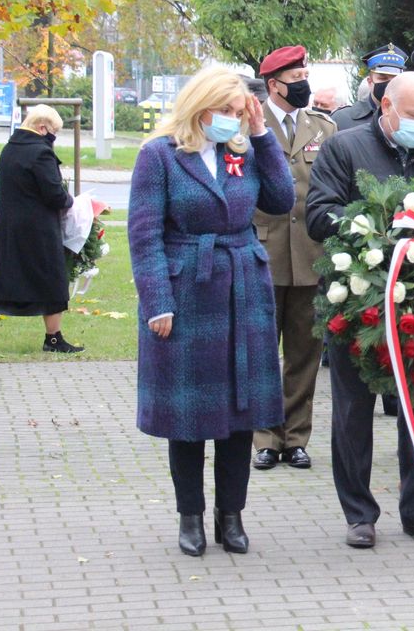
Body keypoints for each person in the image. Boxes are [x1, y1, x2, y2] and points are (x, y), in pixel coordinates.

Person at [128, 66, 294, 557]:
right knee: (190, 415)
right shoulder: (159, 156)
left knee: (241, 413)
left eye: (239, 112)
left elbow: (282, 200)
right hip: (188, 292)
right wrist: (158, 301)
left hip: (243, 286)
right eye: (226, 112)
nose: (232, 120)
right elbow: (144, 235)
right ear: (200, 109)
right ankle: (191, 517)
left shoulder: (241, 150)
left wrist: (262, 135)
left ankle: (232, 516)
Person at [305, 72, 414, 549]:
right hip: (357, 300)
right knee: (353, 408)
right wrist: (383, 228)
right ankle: (359, 514)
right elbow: (318, 215)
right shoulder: (344, 148)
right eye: (413, 116)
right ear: (386, 107)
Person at [250, 46, 336, 472]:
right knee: (263, 350)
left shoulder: (323, 127)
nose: (303, 84)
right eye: (295, 77)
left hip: (310, 254)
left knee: (305, 352)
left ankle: (296, 437)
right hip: (262, 253)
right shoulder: (248, 123)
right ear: (273, 85)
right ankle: (265, 437)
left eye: (306, 75)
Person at [0, 103, 84, 354]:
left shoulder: (10, 148)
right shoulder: (40, 153)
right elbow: (54, 194)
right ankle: (53, 339)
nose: (55, 137)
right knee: (54, 278)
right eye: (54, 131)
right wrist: (73, 203)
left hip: (8, 225)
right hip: (37, 228)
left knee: (9, 277)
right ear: (42, 127)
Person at [330, 44, 407, 132]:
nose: (389, 84)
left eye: (395, 79)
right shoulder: (342, 118)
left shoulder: (411, 118)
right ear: (370, 82)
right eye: (383, 78)